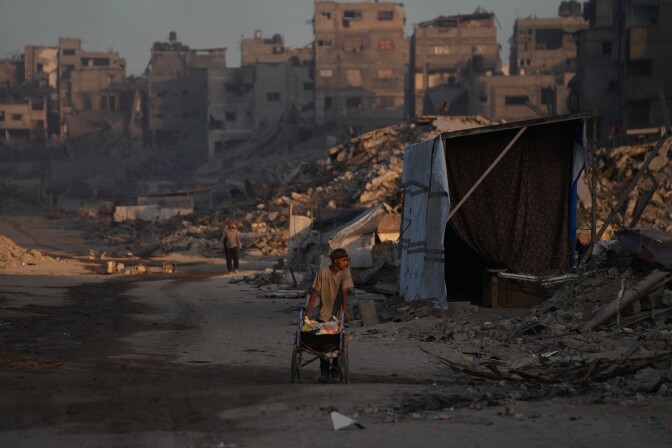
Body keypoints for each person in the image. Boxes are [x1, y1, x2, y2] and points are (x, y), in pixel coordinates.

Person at [305, 248, 354, 382]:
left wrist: (344, 312)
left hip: (338, 316)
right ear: (336, 261)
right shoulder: (323, 273)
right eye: (344, 260)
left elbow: (344, 293)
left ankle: (335, 370)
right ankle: (324, 371)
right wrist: (307, 313)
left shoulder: (345, 272)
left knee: (336, 343)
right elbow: (315, 293)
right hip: (324, 314)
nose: (346, 263)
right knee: (323, 344)